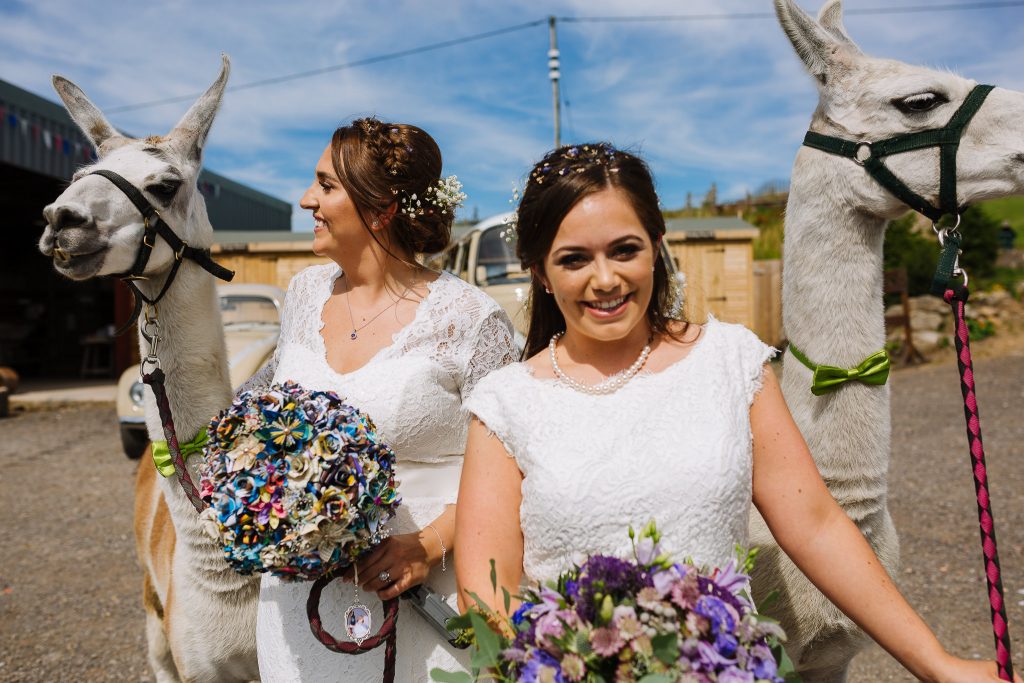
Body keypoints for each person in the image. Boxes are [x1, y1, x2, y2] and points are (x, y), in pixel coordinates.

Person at [457, 143, 1019, 683]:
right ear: (538, 271)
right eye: (574, 259)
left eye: (624, 250)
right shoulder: (506, 402)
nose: (604, 279)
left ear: (657, 245)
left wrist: (934, 664)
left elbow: (816, 526)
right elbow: (488, 593)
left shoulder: (730, 361)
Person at [249, 117, 517, 681]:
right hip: (301, 604)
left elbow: (520, 465)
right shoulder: (301, 294)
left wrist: (428, 545)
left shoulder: (470, 319)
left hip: (430, 598)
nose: (306, 200)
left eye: (325, 186)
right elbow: (263, 420)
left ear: (381, 207)